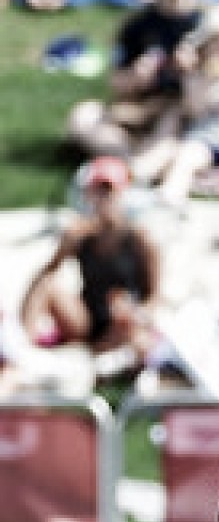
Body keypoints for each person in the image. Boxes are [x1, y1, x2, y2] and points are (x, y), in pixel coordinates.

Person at [20, 156, 162, 381]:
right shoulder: (80, 235)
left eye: (108, 191)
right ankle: (20, 348)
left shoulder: (141, 240)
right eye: (98, 191)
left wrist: (135, 312)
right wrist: (66, 245)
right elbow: (47, 273)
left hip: (123, 321)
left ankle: (116, 360)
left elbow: (155, 296)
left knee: (126, 313)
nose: (103, 199)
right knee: (46, 281)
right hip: (86, 319)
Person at [130, 4, 219, 207]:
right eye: (215, 44)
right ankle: (168, 201)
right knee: (185, 161)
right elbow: (195, 108)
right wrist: (202, 79)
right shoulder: (194, 78)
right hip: (203, 140)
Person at [65, 0, 219, 159]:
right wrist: (136, 76)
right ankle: (133, 160)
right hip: (139, 108)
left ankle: (141, 164)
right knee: (83, 116)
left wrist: (194, 70)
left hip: (186, 112)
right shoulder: (138, 23)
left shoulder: (211, 19)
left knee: (172, 119)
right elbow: (117, 81)